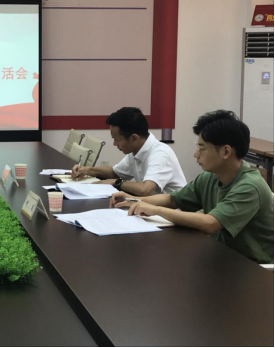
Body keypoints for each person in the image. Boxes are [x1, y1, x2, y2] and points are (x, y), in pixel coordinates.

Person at [112, 110, 274, 264]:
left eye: (202, 148)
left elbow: (210, 223)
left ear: (226, 152)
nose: (195, 154)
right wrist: (134, 200)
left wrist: (155, 210)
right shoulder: (211, 176)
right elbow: (173, 199)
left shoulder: (250, 186)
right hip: (223, 256)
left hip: (255, 267)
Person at [71, 107, 187, 195]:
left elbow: (145, 189)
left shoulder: (160, 154)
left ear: (133, 138)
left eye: (117, 140)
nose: (114, 144)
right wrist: (87, 170)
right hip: (151, 207)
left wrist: (117, 182)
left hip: (173, 214)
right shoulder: (137, 150)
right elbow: (115, 172)